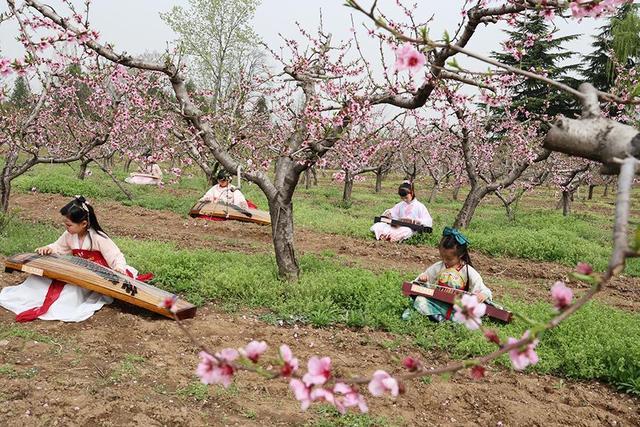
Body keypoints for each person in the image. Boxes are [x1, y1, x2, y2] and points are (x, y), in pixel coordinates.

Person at [0, 196, 140, 322]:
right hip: (76, 271)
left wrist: (118, 268)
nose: (66, 228)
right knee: (38, 280)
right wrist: (49, 249)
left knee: (70, 294)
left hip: (95, 275)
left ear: (84, 224)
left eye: (69, 225)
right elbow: (58, 246)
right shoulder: (69, 235)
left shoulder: (99, 238)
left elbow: (116, 256)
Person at [402, 227, 492, 322]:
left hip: (458, 309)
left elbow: (485, 290)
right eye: (442, 257)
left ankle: (437, 319)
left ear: (460, 255)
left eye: (449, 259)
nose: (444, 261)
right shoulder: (438, 267)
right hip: (438, 304)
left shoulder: (468, 271)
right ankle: (442, 320)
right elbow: (419, 283)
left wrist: (482, 295)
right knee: (420, 300)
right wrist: (423, 280)